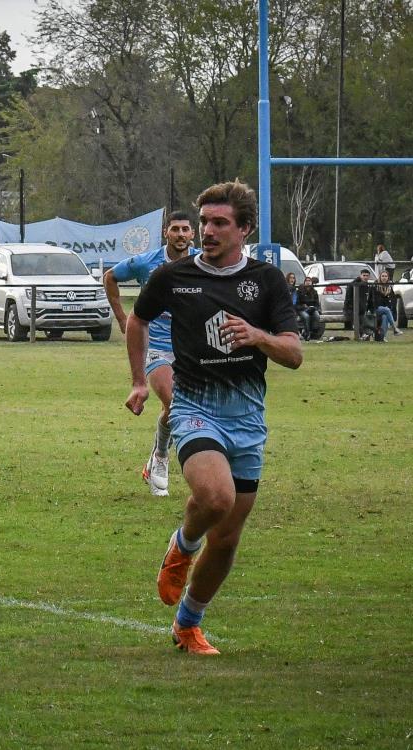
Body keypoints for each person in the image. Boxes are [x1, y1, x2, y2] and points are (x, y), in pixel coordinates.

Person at [124, 180, 302, 655]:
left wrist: (258, 337)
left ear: (244, 229)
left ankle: (188, 624)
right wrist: (139, 380)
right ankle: (182, 545)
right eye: (204, 221)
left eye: (219, 222)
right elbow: (138, 320)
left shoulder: (266, 280)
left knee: (225, 539)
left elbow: (294, 354)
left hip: (247, 418)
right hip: (194, 407)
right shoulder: (173, 276)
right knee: (216, 498)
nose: (207, 230)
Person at [103, 210, 198, 497]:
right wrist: (123, 319)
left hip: (191, 349)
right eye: (175, 229)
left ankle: (157, 452)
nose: (180, 234)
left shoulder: (202, 262)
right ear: (165, 233)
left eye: (185, 229)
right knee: (174, 403)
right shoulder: (147, 262)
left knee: (180, 410)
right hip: (156, 346)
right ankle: (161, 458)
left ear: (193, 234)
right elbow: (110, 277)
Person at [369, 270, 401, 341]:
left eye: (386, 276)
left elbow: (393, 300)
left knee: (385, 316)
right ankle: (394, 328)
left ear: (388, 278)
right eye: (382, 276)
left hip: (386, 310)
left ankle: (383, 337)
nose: (384, 278)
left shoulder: (389, 287)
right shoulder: (375, 286)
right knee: (386, 310)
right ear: (380, 277)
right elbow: (373, 300)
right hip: (375, 308)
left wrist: (389, 306)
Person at [343, 268, 373, 337]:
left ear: (369, 277)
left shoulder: (366, 285)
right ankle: (362, 335)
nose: (365, 277)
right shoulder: (354, 284)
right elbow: (349, 300)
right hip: (351, 309)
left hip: (361, 310)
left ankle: (365, 335)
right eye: (364, 275)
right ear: (360, 276)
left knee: (365, 318)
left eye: (367, 276)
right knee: (359, 319)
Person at [295, 276, 322, 341]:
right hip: (302, 309)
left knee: (317, 315)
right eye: (306, 281)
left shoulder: (314, 292)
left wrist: (315, 308)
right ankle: (307, 333)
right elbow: (297, 304)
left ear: (312, 282)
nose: (308, 282)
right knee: (306, 316)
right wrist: (303, 306)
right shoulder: (299, 291)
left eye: (309, 281)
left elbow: (317, 304)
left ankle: (313, 332)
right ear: (304, 282)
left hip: (312, 309)